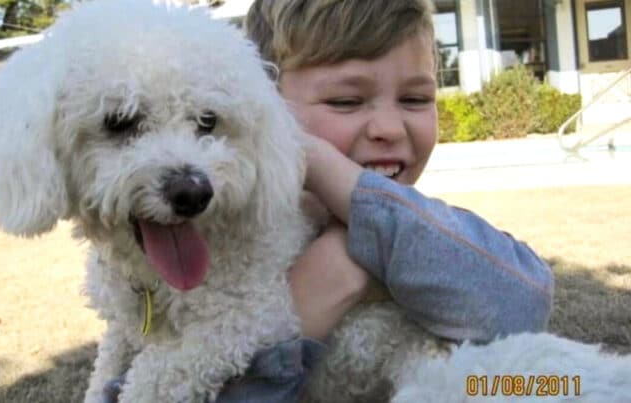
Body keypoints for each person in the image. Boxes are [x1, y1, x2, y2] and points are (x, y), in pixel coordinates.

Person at [104, 1, 553, 402]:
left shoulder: (416, 229)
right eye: (345, 101)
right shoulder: (203, 236)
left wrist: (327, 172)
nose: (390, 128)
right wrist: (299, 312)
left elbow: (524, 303)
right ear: (261, 101)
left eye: (416, 98)